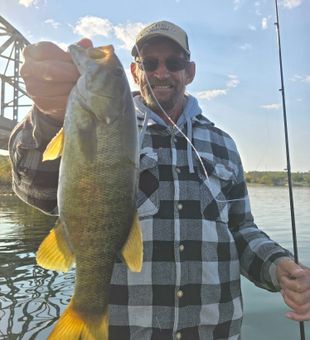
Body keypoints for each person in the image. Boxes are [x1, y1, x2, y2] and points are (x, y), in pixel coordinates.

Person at [9, 20, 310, 340]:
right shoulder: (100, 129)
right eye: (149, 63)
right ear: (135, 71)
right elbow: (37, 188)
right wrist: (47, 115)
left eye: (174, 62)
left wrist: (277, 265)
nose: (161, 72)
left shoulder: (224, 144)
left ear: (189, 71)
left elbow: (241, 228)